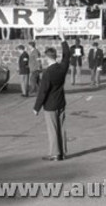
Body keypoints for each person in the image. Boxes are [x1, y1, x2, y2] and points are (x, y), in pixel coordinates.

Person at [33, 31, 70, 161]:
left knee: (53, 130)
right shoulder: (62, 67)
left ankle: (55, 153)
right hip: (61, 102)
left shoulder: (48, 73)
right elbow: (67, 56)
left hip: (50, 105)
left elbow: (43, 91)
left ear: (47, 58)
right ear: (55, 56)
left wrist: (36, 108)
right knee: (62, 128)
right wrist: (63, 39)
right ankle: (63, 152)